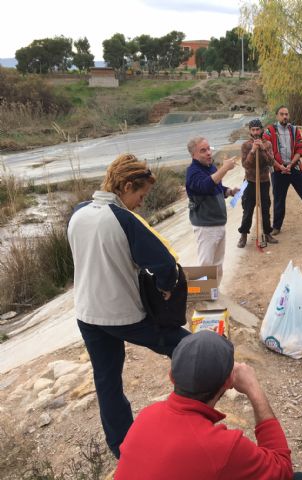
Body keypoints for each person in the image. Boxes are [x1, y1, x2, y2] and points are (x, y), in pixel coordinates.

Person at [67, 154, 191, 459]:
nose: (140, 203)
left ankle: (121, 447)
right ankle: (195, 406)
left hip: (86, 313)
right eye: (139, 195)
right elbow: (165, 264)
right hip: (121, 314)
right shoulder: (122, 219)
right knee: (185, 345)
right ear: (125, 186)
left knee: (107, 380)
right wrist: (163, 289)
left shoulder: (78, 213)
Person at [116, 331, 302, 480]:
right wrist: (254, 389)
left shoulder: (147, 415)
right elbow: (282, 468)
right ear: (228, 383)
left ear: (171, 377)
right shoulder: (221, 447)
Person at [186, 136, 239, 277]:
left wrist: (229, 191)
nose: (208, 153)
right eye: (203, 150)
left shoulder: (211, 168)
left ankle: (214, 294)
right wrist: (225, 169)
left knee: (218, 265)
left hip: (218, 223)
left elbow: (217, 187)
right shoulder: (193, 172)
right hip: (206, 226)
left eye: (208, 149)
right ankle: (202, 297)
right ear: (193, 155)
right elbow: (205, 186)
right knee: (206, 265)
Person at [263, 105, 302, 235]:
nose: (285, 116)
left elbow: (299, 148)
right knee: (279, 199)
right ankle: (276, 226)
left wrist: (291, 164)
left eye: (286, 114)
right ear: (277, 116)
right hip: (277, 170)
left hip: (295, 167)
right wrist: (280, 165)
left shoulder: (294, 130)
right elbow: (267, 152)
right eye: (282, 114)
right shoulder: (269, 131)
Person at [238, 119, 278, 248]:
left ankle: (267, 233)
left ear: (261, 130)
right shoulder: (245, 145)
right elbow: (245, 165)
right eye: (253, 130)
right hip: (250, 181)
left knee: (265, 208)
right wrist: (252, 151)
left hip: (264, 181)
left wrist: (262, 150)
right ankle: (243, 234)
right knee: (248, 209)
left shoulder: (268, 144)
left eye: (257, 129)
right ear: (250, 131)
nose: (255, 132)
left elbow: (271, 162)